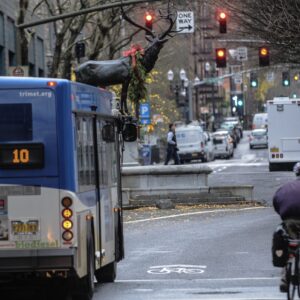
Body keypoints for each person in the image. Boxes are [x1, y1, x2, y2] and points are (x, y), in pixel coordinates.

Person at [273, 162, 300, 292]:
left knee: (289, 246)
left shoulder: (286, 187)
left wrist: (284, 217)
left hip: (289, 220)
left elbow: (276, 203)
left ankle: (284, 278)